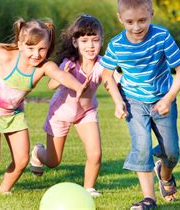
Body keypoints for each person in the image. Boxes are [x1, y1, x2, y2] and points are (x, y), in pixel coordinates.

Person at [0, 5, 87, 194]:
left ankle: (3, 192)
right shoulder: (7, 57)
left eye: (41, 49)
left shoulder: (44, 67)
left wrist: (78, 87)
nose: (36, 54)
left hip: (14, 114)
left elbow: (60, 75)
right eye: (30, 48)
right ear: (20, 45)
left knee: (21, 160)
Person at [100, 0, 180, 209]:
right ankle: (149, 199)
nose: (137, 27)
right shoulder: (116, 45)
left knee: (171, 152)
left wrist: (169, 98)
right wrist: (118, 101)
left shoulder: (162, 36)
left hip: (162, 100)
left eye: (142, 20)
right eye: (130, 22)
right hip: (134, 102)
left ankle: (165, 174)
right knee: (141, 146)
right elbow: (106, 74)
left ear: (152, 14)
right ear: (120, 18)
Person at [29, 14, 125, 197]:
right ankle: (38, 152)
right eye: (85, 40)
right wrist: (61, 76)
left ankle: (89, 188)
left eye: (95, 40)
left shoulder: (103, 64)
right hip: (60, 113)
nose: (90, 46)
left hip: (85, 113)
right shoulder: (69, 64)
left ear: (101, 41)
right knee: (53, 161)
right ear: (75, 42)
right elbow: (50, 85)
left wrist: (121, 96)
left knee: (95, 153)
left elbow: (114, 80)